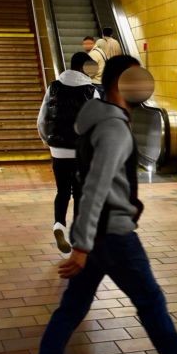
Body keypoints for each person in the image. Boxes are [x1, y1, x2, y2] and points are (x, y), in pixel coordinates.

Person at [19, 55, 177, 354]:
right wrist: (81, 246)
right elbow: (97, 186)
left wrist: (85, 241)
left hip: (100, 232)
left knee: (71, 309)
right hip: (112, 234)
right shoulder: (113, 127)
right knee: (150, 301)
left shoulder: (99, 120)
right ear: (123, 84)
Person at [37, 52, 99, 254]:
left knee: (62, 192)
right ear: (84, 67)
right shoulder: (91, 91)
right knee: (81, 194)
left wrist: (48, 142)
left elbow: (42, 118)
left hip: (59, 151)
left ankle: (58, 226)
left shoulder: (53, 87)